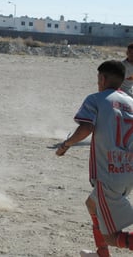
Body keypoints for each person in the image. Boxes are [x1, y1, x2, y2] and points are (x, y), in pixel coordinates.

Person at [56, 60, 133, 257]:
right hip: (128, 171)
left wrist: (66, 145)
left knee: (111, 236)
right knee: (91, 204)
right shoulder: (131, 102)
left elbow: (86, 128)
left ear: (102, 78)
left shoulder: (96, 99)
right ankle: (101, 254)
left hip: (109, 174)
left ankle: (104, 250)